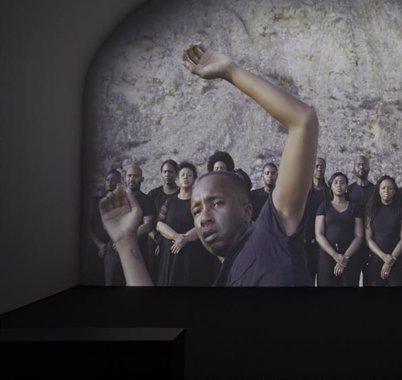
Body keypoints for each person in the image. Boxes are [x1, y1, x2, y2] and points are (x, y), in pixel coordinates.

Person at [99, 42, 318, 286]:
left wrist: (230, 71)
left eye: (216, 203)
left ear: (247, 211)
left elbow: (303, 121)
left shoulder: (270, 235)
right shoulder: (224, 281)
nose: (204, 218)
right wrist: (125, 241)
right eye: (196, 210)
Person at [156, 161, 217, 286]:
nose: (185, 177)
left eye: (189, 175)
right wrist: (177, 237)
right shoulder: (169, 201)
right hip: (171, 254)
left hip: (193, 254)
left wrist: (186, 238)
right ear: (177, 179)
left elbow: (205, 223)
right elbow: (159, 224)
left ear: (194, 179)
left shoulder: (200, 201)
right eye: (182, 174)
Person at [314, 173, 364, 286]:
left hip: (350, 258)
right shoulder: (324, 206)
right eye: (336, 182)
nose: (339, 185)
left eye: (342, 182)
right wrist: (335, 256)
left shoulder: (354, 207)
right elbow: (319, 234)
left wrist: (345, 257)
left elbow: (359, 236)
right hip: (327, 257)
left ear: (347, 186)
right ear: (331, 186)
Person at [364, 176, 402, 286]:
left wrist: (391, 259)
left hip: (397, 259)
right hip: (375, 259)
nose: (386, 191)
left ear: (395, 191)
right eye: (383, 188)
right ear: (378, 190)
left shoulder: (401, 210)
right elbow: (368, 238)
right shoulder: (371, 210)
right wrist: (384, 257)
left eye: (390, 188)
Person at [88, 169, 125, 285]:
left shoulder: (123, 203)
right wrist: (99, 245)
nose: (110, 182)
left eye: (114, 180)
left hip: (114, 249)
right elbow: (88, 225)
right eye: (108, 180)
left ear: (120, 183)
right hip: (95, 246)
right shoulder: (95, 201)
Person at [145, 159, 179, 282]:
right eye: (164, 172)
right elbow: (147, 223)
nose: (167, 175)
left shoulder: (182, 193)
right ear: (161, 174)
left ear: (176, 173)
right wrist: (158, 241)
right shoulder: (153, 194)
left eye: (170, 171)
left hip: (174, 244)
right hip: (154, 243)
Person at [124, 163, 157, 276]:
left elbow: (147, 225)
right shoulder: (117, 199)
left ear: (142, 179)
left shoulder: (147, 200)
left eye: (135, 176)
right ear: (125, 178)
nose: (131, 179)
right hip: (115, 250)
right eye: (129, 175)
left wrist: (126, 239)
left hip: (138, 250)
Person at [348, 155, 375, 285]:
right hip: (352, 243)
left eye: (364, 164)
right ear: (353, 168)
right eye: (358, 164)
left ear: (369, 167)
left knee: (370, 281)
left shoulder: (375, 191)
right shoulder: (348, 190)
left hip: (371, 244)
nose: (361, 167)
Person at [304, 157, 329, 284]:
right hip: (305, 243)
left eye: (322, 166)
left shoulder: (329, 192)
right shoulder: (304, 191)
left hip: (324, 244)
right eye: (316, 166)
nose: (319, 169)